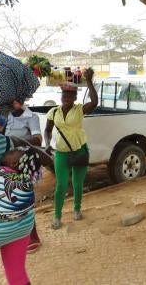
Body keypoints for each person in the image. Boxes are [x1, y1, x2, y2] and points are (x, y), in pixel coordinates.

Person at [0, 146, 44, 284]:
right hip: (21, 231)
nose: (11, 149)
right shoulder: (26, 182)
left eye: (14, 151)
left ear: (14, 164)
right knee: (17, 274)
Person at [44, 68, 98, 229]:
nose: (66, 98)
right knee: (60, 185)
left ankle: (77, 209)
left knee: (77, 184)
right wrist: (47, 144)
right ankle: (57, 217)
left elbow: (94, 102)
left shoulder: (79, 110)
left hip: (79, 151)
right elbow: (47, 130)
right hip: (61, 153)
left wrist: (89, 80)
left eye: (69, 96)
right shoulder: (53, 112)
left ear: (75, 97)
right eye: (63, 95)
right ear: (61, 97)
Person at [5, 99, 43, 253]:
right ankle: (13, 236)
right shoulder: (7, 116)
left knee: (23, 200)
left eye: (16, 100)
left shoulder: (31, 117)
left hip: (25, 164)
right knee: (9, 200)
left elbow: (38, 138)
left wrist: (16, 141)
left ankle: (33, 237)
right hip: (8, 164)